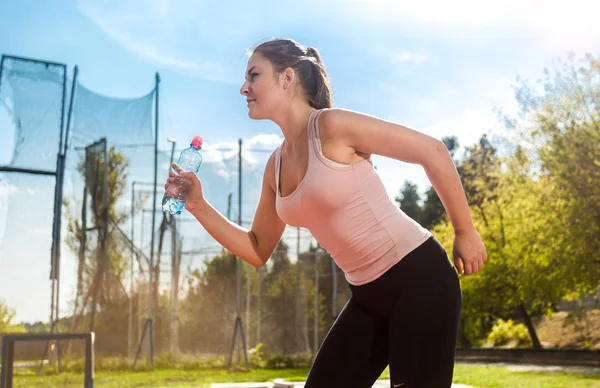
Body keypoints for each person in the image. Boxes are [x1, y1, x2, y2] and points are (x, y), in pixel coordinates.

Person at [164, 38, 487, 388]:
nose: (244, 88)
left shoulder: (331, 127)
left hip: (419, 278)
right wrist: (197, 204)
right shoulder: (276, 166)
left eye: (254, 76)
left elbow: (432, 151)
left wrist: (465, 230)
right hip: (367, 297)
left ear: (287, 78)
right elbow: (257, 249)